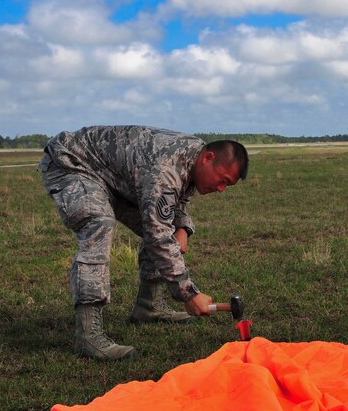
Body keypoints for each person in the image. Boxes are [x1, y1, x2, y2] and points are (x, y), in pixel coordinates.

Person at [38, 125, 249, 360]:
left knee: (164, 229)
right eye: (223, 180)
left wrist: (183, 227)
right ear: (208, 158)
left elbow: (172, 200)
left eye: (226, 186)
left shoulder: (193, 156)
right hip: (72, 163)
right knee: (100, 224)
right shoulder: (167, 167)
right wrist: (188, 293)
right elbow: (158, 234)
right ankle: (88, 335)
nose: (221, 189)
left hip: (113, 177)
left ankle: (150, 307)